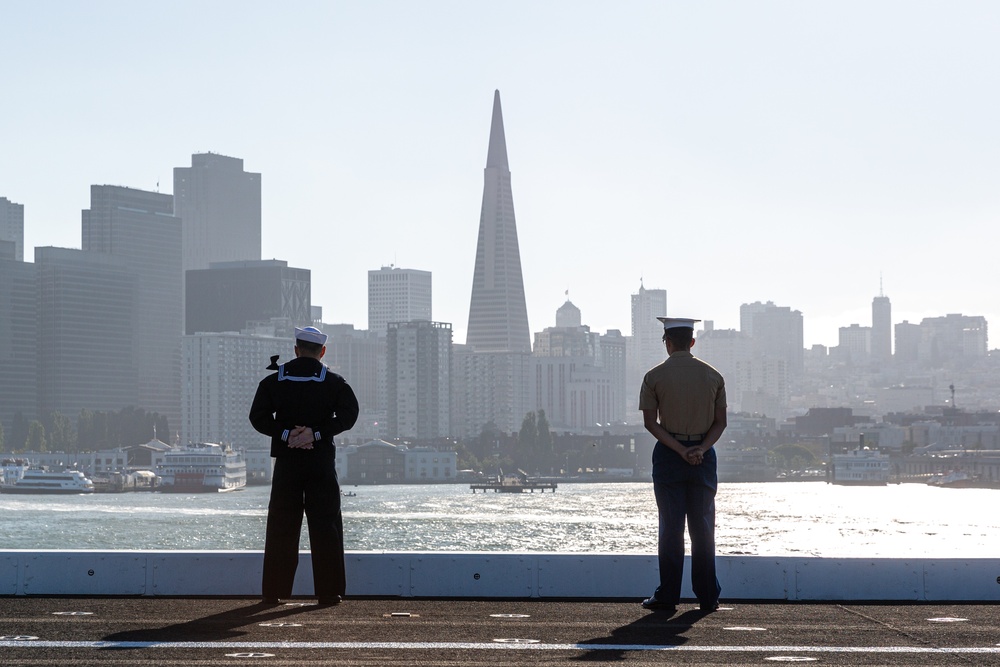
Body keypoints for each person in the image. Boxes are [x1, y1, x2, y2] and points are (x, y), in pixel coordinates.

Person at [249, 325, 359, 605]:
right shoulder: (334, 382)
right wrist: (316, 433)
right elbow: (349, 415)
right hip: (321, 463)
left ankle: (274, 592)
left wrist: (288, 435)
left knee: (282, 524)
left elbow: (258, 417)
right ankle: (329, 592)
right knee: (326, 525)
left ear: (296, 350)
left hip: (287, 463)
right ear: (322, 352)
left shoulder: (274, 381)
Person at [638, 317, 727, 615]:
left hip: (668, 455)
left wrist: (679, 450)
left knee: (671, 528)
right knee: (702, 528)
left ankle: (667, 596)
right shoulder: (714, 376)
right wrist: (700, 449)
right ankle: (707, 597)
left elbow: (651, 423)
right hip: (704, 455)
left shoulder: (654, 376)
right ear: (692, 342)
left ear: (667, 343)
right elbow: (720, 422)